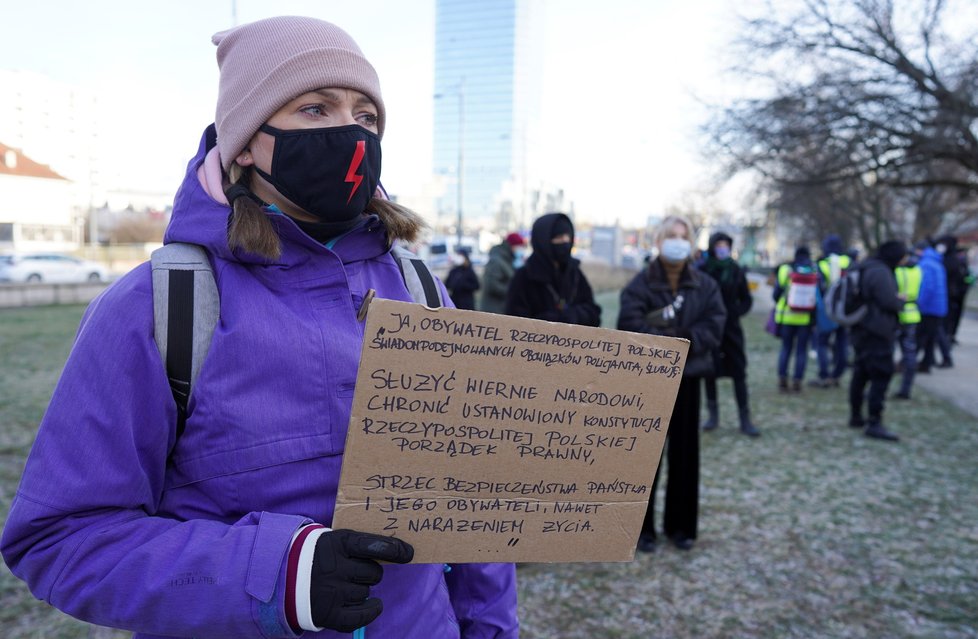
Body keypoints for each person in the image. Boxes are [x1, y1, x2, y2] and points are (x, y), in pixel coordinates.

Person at [0, 17, 517, 639]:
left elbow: (472, 504)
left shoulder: (421, 292)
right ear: (245, 142)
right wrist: (279, 574)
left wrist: (489, 630)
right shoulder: (159, 305)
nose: (350, 133)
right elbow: (62, 538)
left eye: (366, 116)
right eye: (316, 109)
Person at [617, 215, 726, 553]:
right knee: (646, 459)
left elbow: (714, 324)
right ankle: (642, 529)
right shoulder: (640, 284)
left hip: (689, 379)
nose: (678, 241)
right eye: (671, 236)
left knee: (685, 456)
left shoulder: (705, 285)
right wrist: (666, 346)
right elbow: (630, 324)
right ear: (659, 241)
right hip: (650, 382)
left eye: (683, 236)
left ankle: (681, 526)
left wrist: (683, 341)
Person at [698, 231, 760, 436]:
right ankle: (713, 416)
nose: (722, 249)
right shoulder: (703, 270)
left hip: (732, 330)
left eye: (726, 245)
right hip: (710, 329)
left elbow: (746, 300)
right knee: (710, 372)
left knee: (739, 373)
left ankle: (745, 419)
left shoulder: (736, 270)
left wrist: (734, 313)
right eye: (719, 245)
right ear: (712, 247)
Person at [848, 240, 907, 441]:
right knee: (881, 376)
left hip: (860, 329)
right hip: (877, 331)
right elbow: (887, 301)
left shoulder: (864, 266)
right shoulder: (880, 272)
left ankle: (856, 416)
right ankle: (874, 422)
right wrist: (901, 300)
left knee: (861, 373)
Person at [505, 212, 601, 326]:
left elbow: (593, 312)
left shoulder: (575, 273)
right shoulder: (524, 277)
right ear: (543, 240)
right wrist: (553, 321)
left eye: (568, 237)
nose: (565, 242)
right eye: (559, 237)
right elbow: (514, 324)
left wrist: (573, 316)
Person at [772, 245, 817, 392]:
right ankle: (797, 380)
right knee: (801, 351)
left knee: (786, 348)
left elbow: (776, 293)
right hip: (805, 318)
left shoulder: (786, 269)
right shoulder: (814, 270)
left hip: (787, 316)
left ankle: (782, 379)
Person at [811, 234, 852, 388]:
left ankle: (824, 374)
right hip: (845, 310)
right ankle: (837, 375)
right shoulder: (849, 262)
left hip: (827, 310)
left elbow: (819, 290)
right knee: (842, 343)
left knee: (822, 342)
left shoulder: (822, 264)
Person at [892, 251, 922, 400]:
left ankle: (883, 385)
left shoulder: (896, 271)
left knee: (889, 351)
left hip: (898, 314)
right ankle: (906, 388)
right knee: (910, 353)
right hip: (913, 313)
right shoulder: (918, 270)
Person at [916, 240, 950, 373]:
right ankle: (926, 364)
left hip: (929, 307)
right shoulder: (937, 263)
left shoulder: (925, 264)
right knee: (931, 338)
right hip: (939, 306)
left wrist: (920, 303)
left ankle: (911, 363)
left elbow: (927, 287)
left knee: (921, 336)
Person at [480, 232, 525, 313]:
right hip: (494, 310)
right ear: (512, 246)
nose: (521, 249)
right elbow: (492, 285)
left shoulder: (508, 260)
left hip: (501, 308)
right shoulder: (497, 260)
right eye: (519, 246)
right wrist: (514, 291)